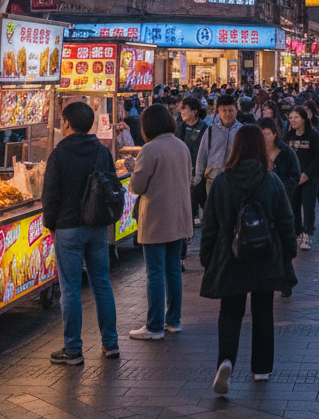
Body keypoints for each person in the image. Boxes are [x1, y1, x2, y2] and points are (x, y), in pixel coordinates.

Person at [199, 125, 297, 393]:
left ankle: (226, 361)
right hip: (266, 255)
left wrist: (207, 256)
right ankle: (262, 369)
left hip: (230, 256)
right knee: (263, 310)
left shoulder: (222, 182)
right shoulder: (272, 180)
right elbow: (287, 220)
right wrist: (289, 252)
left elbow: (210, 225)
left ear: (236, 147)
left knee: (230, 310)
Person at [42, 102, 119, 364]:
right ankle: (111, 343)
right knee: (102, 283)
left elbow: (50, 195)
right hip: (97, 227)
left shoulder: (59, 154)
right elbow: (111, 185)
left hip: (68, 228)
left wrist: (50, 223)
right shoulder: (101, 151)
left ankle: (73, 349)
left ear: (66, 123)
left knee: (71, 289)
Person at [128, 105, 193, 340]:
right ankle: (173, 320)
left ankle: (154, 325)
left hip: (156, 218)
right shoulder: (181, 146)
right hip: (179, 217)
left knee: (155, 272)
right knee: (173, 269)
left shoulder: (149, 149)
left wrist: (131, 168)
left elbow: (137, 186)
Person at [286, 106, 319, 249]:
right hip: (293, 178)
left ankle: (307, 234)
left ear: (303, 119)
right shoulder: (288, 136)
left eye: (295, 117)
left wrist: (307, 174)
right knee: (293, 206)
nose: (292, 120)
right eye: (290, 118)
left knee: (308, 206)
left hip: (309, 177)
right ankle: (298, 233)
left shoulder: (313, 135)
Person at [194, 94, 241, 198]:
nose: (227, 113)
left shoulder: (242, 132)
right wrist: (198, 177)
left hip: (235, 181)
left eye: (230, 110)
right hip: (212, 181)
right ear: (219, 111)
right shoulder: (211, 131)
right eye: (224, 110)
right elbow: (202, 155)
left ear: (236, 111)